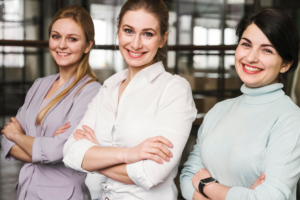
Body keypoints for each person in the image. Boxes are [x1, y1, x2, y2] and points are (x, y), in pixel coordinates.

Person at [62, 0, 197, 199]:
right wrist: (130, 154)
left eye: (148, 34)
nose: (135, 43)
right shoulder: (108, 87)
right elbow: (70, 152)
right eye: (129, 31)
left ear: (163, 39)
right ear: (118, 31)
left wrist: (96, 157)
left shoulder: (174, 89)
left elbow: (150, 173)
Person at [180, 9, 300, 200]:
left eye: (267, 49)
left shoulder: (291, 119)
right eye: (246, 44)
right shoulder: (219, 110)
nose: (251, 58)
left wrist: (207, 186)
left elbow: (269, 197)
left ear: (285, 64)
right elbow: (188, 175)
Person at [1, 5, 100, 200]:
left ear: (88, 45)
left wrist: (19, 136)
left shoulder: (91, 91)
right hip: (26, 191)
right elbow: (6, 141)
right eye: (56, 36)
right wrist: (44, 147)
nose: (61, 45)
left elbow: (59, 150)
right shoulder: (40, 84)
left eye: (72, 39)